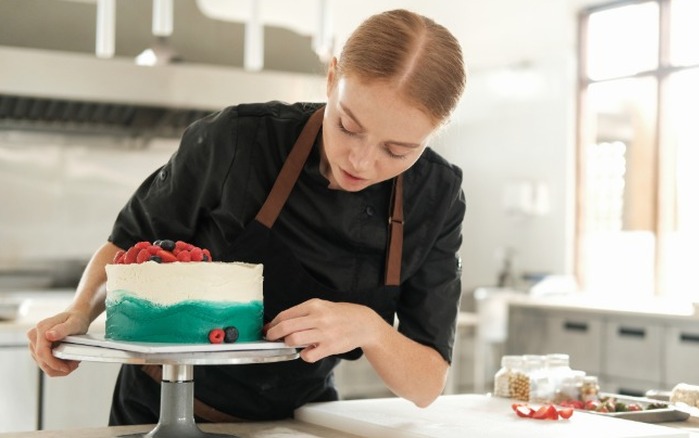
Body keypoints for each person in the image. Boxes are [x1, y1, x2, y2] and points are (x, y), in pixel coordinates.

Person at [27, 8, 467, 423]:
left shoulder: (437, 196)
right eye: (348, 126)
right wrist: (81, 310)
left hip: (298, 421)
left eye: (397, 150)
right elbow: (130, 241)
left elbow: (426, 385)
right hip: (163, 409)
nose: (362, 160)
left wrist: (371, 329)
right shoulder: (237, 140)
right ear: (332, 79)